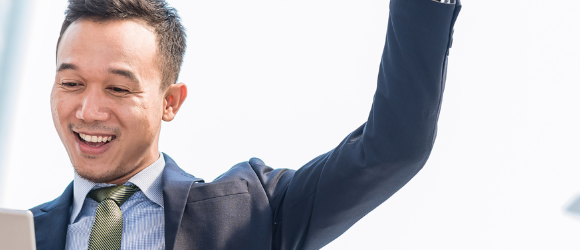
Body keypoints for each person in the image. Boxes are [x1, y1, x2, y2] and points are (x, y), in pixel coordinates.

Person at [29, 0, 461, 249]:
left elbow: (394, 146)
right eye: (71, 82)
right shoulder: (15, 236)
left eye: (119, 89)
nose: (88, 110)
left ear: (169, 102)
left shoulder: (254, 211)